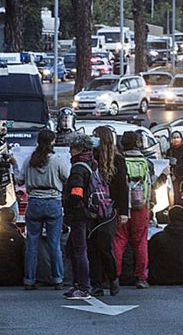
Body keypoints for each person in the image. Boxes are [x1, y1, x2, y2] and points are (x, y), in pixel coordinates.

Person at [22, 130, 69, 291]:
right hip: (53, 201)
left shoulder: (29, 160)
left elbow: (20, 179)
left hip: (34, 201)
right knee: (54, 243)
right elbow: (67, 176)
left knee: (31, 243)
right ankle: (57, 279)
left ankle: (29, 279)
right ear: (53, 142)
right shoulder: (57, 160)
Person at [90, 126, 128, 296]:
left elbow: (122, 187)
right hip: (92, 208)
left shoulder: (117, 160)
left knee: (104, 246)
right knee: (92, 247)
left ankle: (112, 278)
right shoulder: (90, 158)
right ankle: (96, 283)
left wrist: (123, 211)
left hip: (109, 209)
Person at [114, 131, 154, 290]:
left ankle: (115, 275)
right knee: (140, 242)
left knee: (118, 240)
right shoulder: (147, 162)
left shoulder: (118, 161)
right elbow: (152, 183)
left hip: (122, 206)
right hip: (141, 205)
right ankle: (141, 277)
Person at [63, 133, 97, 300]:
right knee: (76, 249)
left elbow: (77, 192)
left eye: (72, 148)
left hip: (78, 213)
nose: (69, 151)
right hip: (87, 213)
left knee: (79, 250)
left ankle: (83, 287)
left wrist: (67, 203)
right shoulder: (91, 164)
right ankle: (80, 285)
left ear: (78, 149)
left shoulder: (78, 168)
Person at [0, 120, 17, 209]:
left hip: (6, 177)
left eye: (6, 126)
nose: (4, 129)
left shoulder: (4, 142)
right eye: (2, 126)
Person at [167, 131, 183, 209]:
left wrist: (178, 170)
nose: (176, 139)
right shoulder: (169, 151)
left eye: (177, 137)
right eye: (174, 137)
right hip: (173, 178)